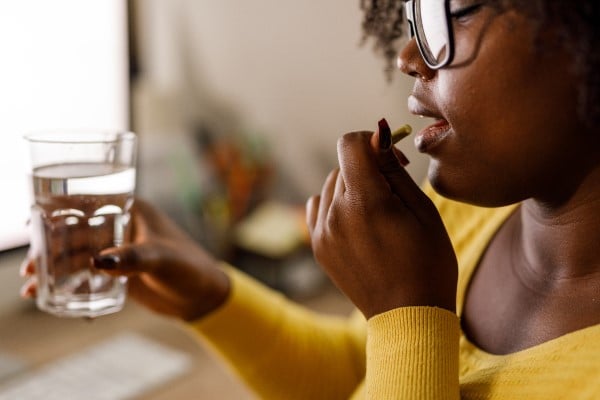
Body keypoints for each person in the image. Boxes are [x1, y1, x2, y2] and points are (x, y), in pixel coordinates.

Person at [21, 0, 600, 398]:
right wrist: (210, 294)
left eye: (453, 11)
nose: (407, 57)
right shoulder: (464, 218)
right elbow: (361, 374)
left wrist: (407, 310)